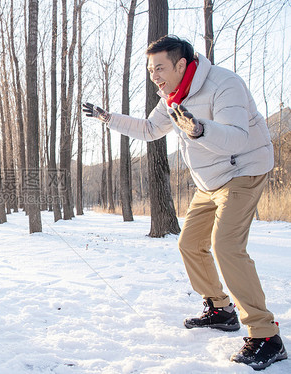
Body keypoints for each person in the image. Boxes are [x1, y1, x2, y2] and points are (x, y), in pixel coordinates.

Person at [83, 35, 287, 370]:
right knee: (190, 244)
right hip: (210, 181)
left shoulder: (225, 84)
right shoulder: (171, 95)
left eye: (159, 68)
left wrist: (198, 130)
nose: (154, 76)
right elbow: (150, 129)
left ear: (181, 64)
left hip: (244, 169)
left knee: (226, 246)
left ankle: (266, 335)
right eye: (150, 70)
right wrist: (109, 118)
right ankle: (220, 309)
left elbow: (238, 136)